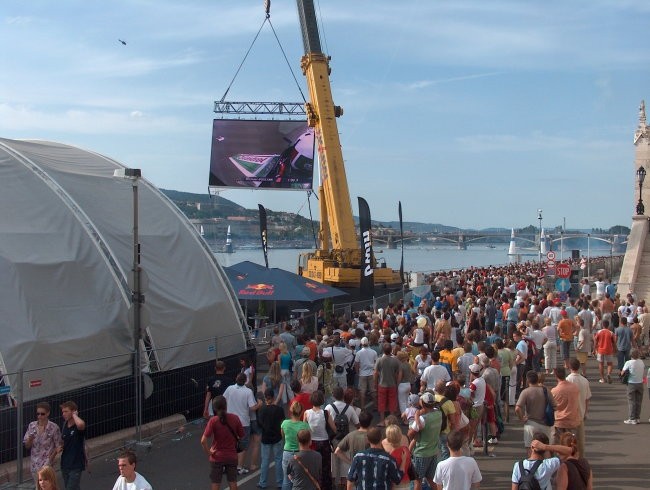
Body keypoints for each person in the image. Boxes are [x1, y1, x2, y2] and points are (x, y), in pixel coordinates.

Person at [223, 373, 261, 475]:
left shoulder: (230, 388)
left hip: (230, 420)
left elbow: (223, 399)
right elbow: (252, 407)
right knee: (243, 445)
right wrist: (260, 404)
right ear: (245, 381)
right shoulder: (248, 391)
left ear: (236, 379)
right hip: (243, 422)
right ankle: (239, 467)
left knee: (229, 443)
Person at [408, 391, 443, 490]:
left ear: (423, 403)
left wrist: (416, 416)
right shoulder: (439, 413)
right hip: (433, 452)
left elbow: (410, 434)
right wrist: (418, 415)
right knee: (431, 479)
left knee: (417, 481)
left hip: (421, 453)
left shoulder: (423, 420)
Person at [24, 402, 62, 489]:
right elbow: (27, 446)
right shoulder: (32, 426)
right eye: (38, 414)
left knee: (49, 487)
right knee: (38, 487)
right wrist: (30, 439)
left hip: (47, 464)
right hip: (35, 464)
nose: (39, 416)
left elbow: (58, 446)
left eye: (42, 414)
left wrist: (51, 458)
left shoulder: (53, 427)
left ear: (48, 413)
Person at [515, 371, 553, 455]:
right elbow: (555, 406)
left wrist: (521, 418)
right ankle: (546, 466)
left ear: (528, 381)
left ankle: (532, 466)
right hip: (545, 423)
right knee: (546, 448)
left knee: (530, 448)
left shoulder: (526, 392)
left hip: (531, 423)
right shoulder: (546, 391)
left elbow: (517, 408)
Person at [303, 391, 334, 489]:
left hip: (312, 443)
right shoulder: (325, 413)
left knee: (313, 467)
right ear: (322, 400)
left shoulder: (307, 413)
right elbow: (334, 428)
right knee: (326, 467)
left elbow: (304, 428)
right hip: (324, 442)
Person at [333, 410, 372, 490]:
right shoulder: (372, 436)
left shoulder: (351, 435)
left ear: (359, 421)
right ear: (370, 422)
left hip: (356, 469)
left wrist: (350, 462)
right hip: (369, 469)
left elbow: (337, 451)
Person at [257, 388, 285, 489]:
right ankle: (280, 483)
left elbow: (259, 424)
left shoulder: (262, 410)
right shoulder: (279, 410)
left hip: (265, 437)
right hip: (277, 437)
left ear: (265, 398)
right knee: (278, 460)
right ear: (273, 397)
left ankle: (262, 482)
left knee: (265, 460)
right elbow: (282, 422)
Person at [281, 402, 310, 490]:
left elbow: (283, 437)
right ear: (301, 412)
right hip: (300, 453)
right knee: (299, 480)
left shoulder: (285, 423)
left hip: (287, 452)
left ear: (291, 411)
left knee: (286, 480)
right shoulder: (304, 425)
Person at [565, 358, 591, 457]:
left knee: (568, 439)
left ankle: (569, 458)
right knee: (580, 440)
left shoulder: (567, 380)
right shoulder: (585, 381)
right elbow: (587, 399)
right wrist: (586, 412)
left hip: (569, 413)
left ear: (569, 367)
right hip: (580, 412)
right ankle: (580, 459)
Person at [59, 401, 86, 490]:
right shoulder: (64, 425)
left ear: (73, 411)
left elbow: (81, 425)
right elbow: (63, 440)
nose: (64, 414)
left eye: (66, 411)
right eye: (63, 412)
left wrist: (75, 415)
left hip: (76, 463)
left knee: (71, 488)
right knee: (71, 487)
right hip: (65, 463)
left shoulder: (78, 425)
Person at [373, 343, 402, 426]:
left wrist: (375, 383)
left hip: (382, 384)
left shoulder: (379, 360)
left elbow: (375, 373)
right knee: (392, 403)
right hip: (392, 384)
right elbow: (400, 372)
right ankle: (391, 421)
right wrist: (398, 382)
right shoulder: (395, 360)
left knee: (381, 403)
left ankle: (382, 421)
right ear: (391, 350)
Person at [551, 367, 581, 443]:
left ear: (556, 376)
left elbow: (553, 406)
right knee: (572, 444)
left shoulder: (554, 391)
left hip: (559, 421)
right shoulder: (574, 387)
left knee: (560, 445)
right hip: (572, 419)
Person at [383, 425, 412, 490]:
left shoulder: (391, 455)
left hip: (395, 485)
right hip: (407, 483)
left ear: (388, 438)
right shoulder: (406, 449)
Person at [621, 348, 645, 424]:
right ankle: (637, 417)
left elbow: (622, 373)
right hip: (640, 383)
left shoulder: (628, 362)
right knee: (638, 401)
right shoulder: (641, 362)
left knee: (631, 401)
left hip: (631, 383)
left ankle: (632, 418)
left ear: (630, 355)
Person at [355, 337, 378, 411]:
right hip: (371, 373)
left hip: (362, 373)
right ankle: (375, 405)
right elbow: (376, 362)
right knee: (373, 390)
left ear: (361, 344)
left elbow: (357, 364)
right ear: (368, 343)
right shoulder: (373, 352)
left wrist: (358, 372)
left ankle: (362, 407)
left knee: (362, 391)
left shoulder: (359, 353)